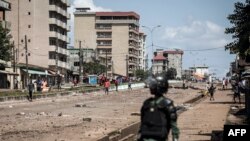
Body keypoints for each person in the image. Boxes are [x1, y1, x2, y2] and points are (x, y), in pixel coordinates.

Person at [137, 73, 180, 141]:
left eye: (153, 85)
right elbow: (142, 123)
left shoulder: (167, 104)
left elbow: (174, 126)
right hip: (144, 138)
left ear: (159, 86)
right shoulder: (147, 103)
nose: (151, 87)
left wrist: (175, 138)